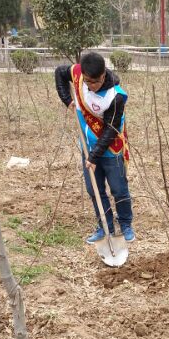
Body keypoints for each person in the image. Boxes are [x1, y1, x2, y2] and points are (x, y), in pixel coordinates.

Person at [55, 51, 135, 243]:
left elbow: (111, 129)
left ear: (103, 75)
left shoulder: (115, 96)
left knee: (119, 189)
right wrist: (67, 100)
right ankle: (105, 226)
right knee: (94, 190)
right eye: (87, 81)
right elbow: (59, 73)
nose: (90, 86)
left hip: (111, 148)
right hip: (88, 145)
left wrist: (94, 157)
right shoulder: (78, 74)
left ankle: (125, 223)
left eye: (95, 82)